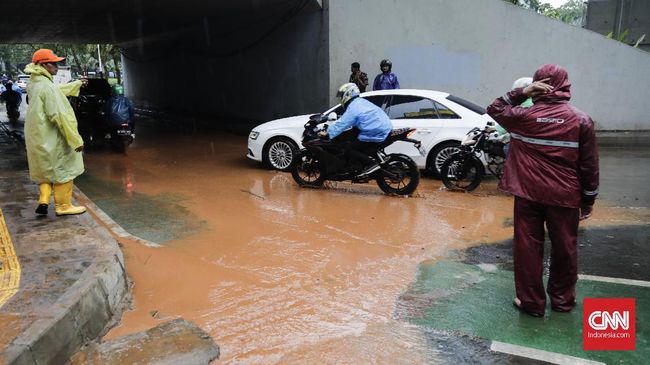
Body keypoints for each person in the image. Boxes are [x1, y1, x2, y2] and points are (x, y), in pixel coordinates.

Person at [487, 64, 599, 317]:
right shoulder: (581, 120)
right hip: (565, 197)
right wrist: (589, 199)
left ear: (539, 85)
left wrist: (523, 92)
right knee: (565, 248)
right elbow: (589, 165)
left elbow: (494, 108)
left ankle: (532, 303)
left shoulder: (522, 117)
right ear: (565, 85)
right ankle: (562, 301)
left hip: (528, 195)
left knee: (527, 247)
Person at [24, 48, 89, 216]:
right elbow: (60, 116)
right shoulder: (47, 87)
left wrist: (76, 84)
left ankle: (44, 200)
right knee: (64, 169)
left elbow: (55, 90)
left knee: (45, 170)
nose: (57, 67)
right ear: (44, 65)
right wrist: (75, 140)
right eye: (54, 63)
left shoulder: (34, 83)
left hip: (37, 136)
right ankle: (64, 206)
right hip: (51, 136)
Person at [318, 83, 393, 176]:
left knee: (348, 149)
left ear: (348, 94)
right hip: (381, 127)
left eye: (342, 95)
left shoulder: (354, 107)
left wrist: (328, 132)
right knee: (352, 138)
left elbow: (343, 122)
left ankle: (371, 164)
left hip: (375, 131)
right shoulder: (360, 102)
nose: (341, 98)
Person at [495, 77, 533, 155]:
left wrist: (496, 130)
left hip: (525, 140)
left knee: (507, 147)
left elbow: (510, 120)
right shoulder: (536, 101)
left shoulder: (526, 103)